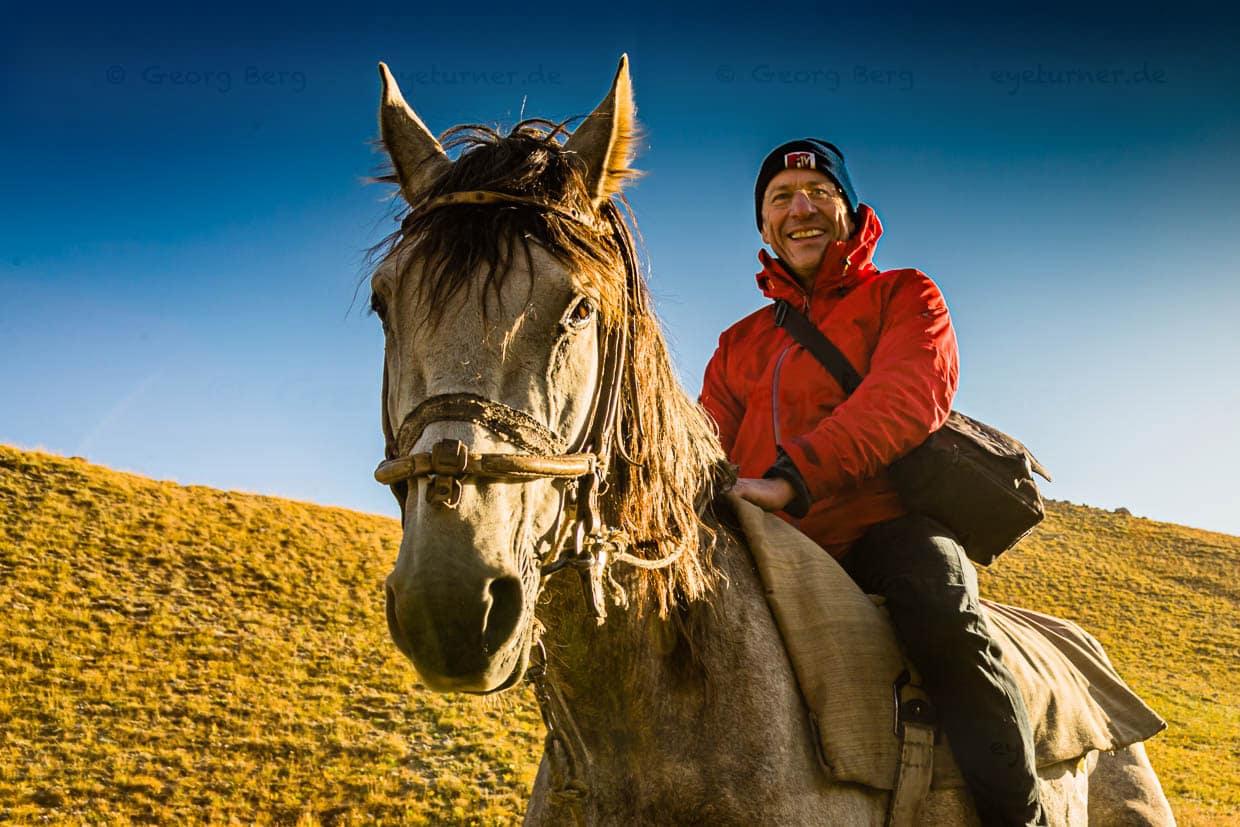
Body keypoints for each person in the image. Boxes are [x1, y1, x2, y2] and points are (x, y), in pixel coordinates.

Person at [699, 139, 1046, 826]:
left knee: (944, 616)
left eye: (818, 193)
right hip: (763, 542)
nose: (801, 209)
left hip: (883, 526)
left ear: (849, 212)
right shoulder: (737, 344)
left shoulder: (906, 294)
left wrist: (793, 478)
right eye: (780, 198)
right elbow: (708, 445)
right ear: (764, 226)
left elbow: (907, 396)